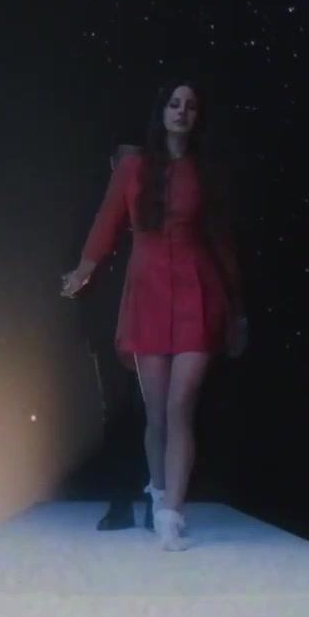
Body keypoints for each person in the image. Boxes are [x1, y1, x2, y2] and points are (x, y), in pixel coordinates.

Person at [61, 79, 248, 551]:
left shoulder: (205, 171)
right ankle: (159, 491)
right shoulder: (133, 166)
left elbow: (221, 241)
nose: (181, 111)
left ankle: (170, 517)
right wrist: (84, 269)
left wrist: (238, 309)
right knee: (157, 413)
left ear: (197, 116)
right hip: (147, 293)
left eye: (190, 106)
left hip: (197, 291)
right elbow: (106, 221)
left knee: (181, 406)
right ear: (161, 111)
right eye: (174, 103)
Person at [71, 143, 153, 532]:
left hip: (148, 323)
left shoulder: (150, 218)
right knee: (118, 414)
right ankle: (121, 502)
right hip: (110, 326)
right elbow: (81, 270)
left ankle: (155, 500)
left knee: (153, 412)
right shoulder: (101, 217)